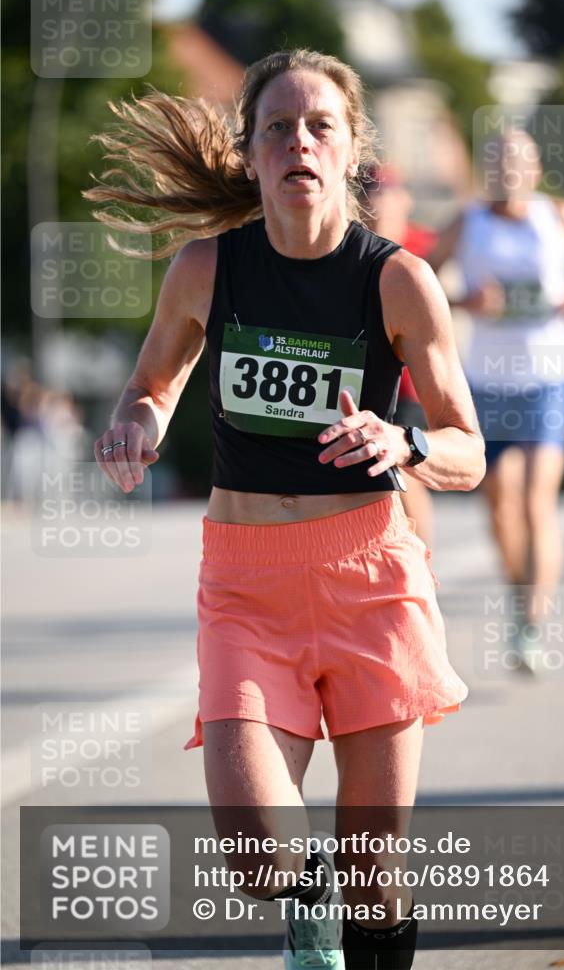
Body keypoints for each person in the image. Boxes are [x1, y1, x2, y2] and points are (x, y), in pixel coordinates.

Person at [90, 49, 484, 970]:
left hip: (369, 582)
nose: (298, 142)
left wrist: (405, 443)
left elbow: (466, 448)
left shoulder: (395, 281)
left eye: (319, 127)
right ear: (252, 152)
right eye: (277, 128)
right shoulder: (205, 268)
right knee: (259, 854)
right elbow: (150, 387)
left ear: (351, 150)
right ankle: (310, 904)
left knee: (374, 871)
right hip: (247, 586)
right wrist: (134, 427)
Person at [428, 128, 564, 672]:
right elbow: (423, 280)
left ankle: (531, 626)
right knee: (500, 509)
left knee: (536, 502)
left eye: (517, 162)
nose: (507, 171)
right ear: (486, 171)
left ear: (535, 170)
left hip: (548, 376)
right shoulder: (467, 222)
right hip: (486, 381)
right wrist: (464, 300)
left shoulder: (559, 217)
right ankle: (520, 595)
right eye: (497, 161)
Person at [360, 163, 439, 548]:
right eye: (368, 192)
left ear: (405, 200)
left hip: (410, 382)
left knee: (403, 471)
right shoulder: (349, 246)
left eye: (385, 192)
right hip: (360, 377)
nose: (377, 201)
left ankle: (422, 559)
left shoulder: (426, 245)